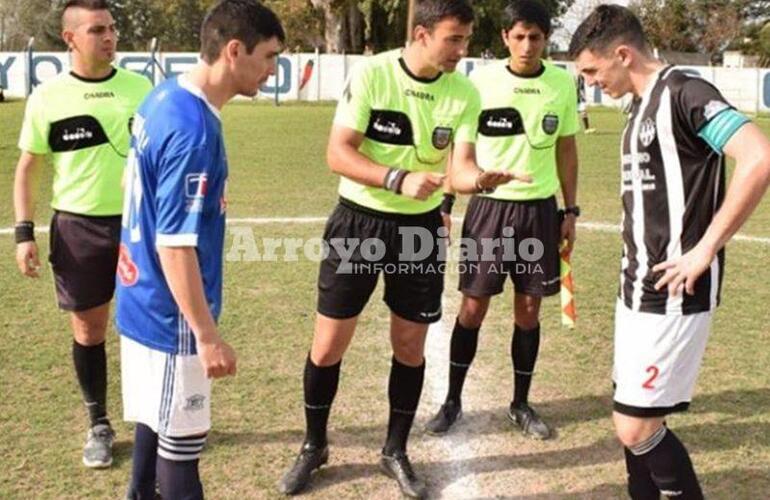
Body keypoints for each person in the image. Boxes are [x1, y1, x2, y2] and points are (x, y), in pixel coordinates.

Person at [277, 0, 521, 497]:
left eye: (467, 40)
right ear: (422, 33)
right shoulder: (373, 75)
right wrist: (397, 178)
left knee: (409, 346)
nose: (462, 49)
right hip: (358, 223)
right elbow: (337, 152)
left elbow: (459, 167)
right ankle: (314, 444)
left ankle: (395, 449)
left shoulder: (464, 93)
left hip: (420, 232)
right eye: (454, 38)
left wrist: (479, 180)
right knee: (328, 345)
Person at [569, 5, 770, 499]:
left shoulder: (685, 91)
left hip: (673, 289)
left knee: (635, 427)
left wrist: (705, 249)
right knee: (631, 414)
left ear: (622, 54)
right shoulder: (637, 103)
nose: (592, 85)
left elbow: (758, 158)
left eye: (593, 72)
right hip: (635, 283)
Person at [115, 1, 283, 498]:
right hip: (170, 315)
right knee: (182, 450)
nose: (274, 70)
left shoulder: (164, 95)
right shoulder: (193, 130)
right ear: (235, 51)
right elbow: (175, 246)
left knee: (157, 417)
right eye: (269, 57)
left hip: (140, 295)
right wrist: (206, 337)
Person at [426, 0, 579, 441]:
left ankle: (520, 403)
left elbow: (567, 149)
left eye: (535, 37)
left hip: (539, 210)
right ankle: (452, 400)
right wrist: (447, 202)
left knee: (529, 310)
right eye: (519, 36)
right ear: (505, 38)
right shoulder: (480, 84)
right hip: (490, 209)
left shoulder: (561, 84)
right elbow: (461, 149)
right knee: (473, 306)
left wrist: (570, 210)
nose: (527, 45)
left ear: (546, 39)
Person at [13, 0, 152, 469]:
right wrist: (23, 233)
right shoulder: (48, 97)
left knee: (149, 324)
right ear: (70, 38)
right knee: (89, 330)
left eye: (112, 28)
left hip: (139, 225)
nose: (110, 37)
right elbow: (28, 167)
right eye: (97, 30)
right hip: (78, 228)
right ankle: (99, 424)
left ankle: (154, 420)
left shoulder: (141, 87)